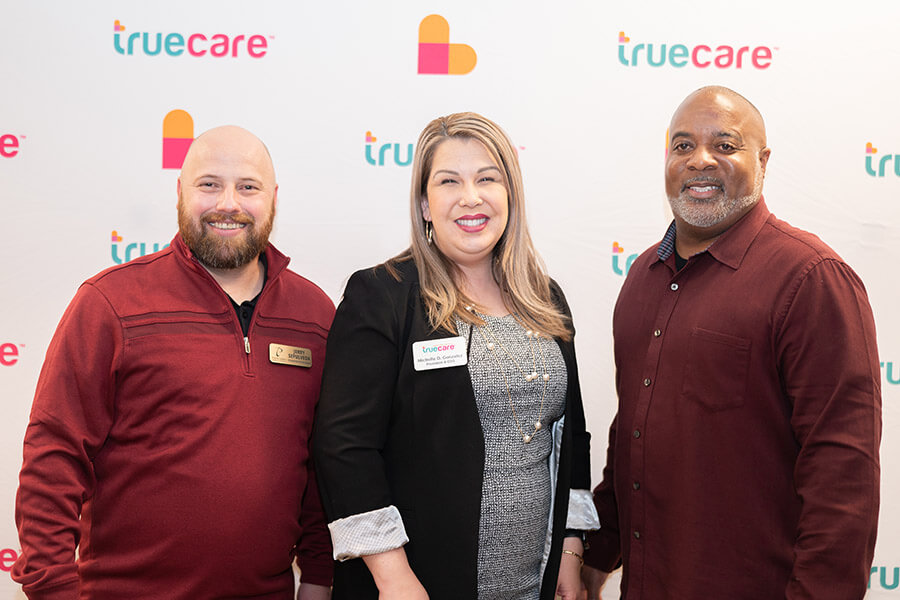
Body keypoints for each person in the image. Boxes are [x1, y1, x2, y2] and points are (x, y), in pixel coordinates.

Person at [582, 86, 881, 599]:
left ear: (763, 161)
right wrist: (594, 554)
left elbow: (843, 477)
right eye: (683, 145)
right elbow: (632, 440)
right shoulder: (642, 277)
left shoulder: (811, 278)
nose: (700, 159)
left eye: (725, 145)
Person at [12, 126, 334, 599]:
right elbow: (54, 455)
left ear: (273, 198)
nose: (229, 203)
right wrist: (53, 588)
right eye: (209, 184)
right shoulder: (110, 303)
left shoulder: (314, 315)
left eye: (248, 187)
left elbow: (321, 465)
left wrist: (320, 575)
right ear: (180, 191)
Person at [313, 112, 599, 600]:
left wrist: (570, 550)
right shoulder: (383, 295)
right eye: (450, 181)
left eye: (487, 179)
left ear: (510, 195)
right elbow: (344, 447)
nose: (471, 197)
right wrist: (393, 577)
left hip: (532, 584)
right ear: (425, 204)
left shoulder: (545, 298)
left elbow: (572, 438)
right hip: (417, 584)